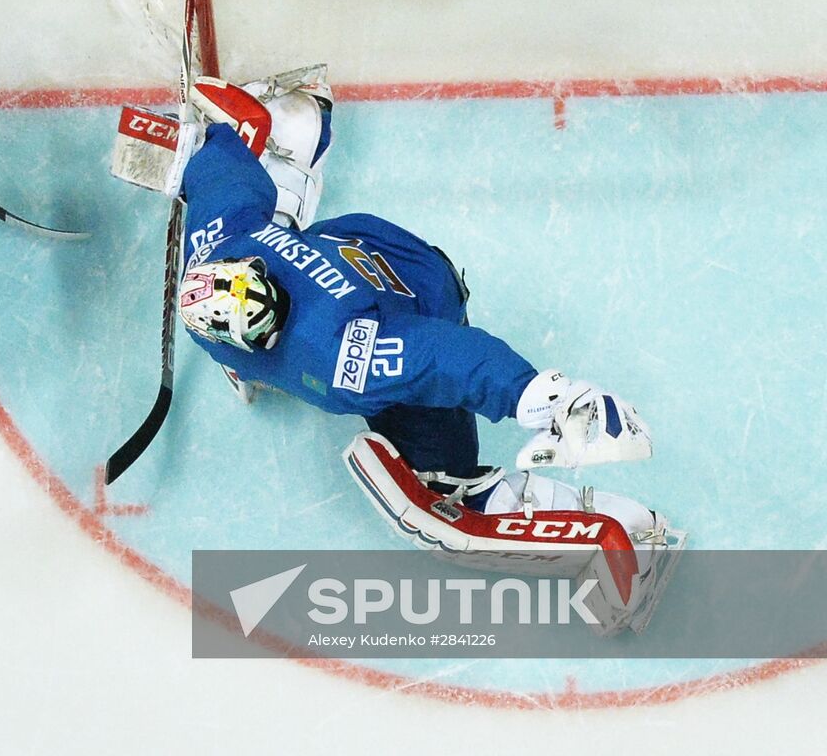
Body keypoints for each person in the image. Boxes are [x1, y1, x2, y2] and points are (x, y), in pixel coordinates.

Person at [176, 73, 684, 633]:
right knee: (274, 219)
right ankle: (303, 151)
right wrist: (213, 134)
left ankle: (627, 534)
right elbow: (228, 153)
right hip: (362, 243)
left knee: (444, 481)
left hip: (420, 291)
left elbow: (443, 356)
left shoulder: (341, 354)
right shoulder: (218, 239)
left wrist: (544, 397)